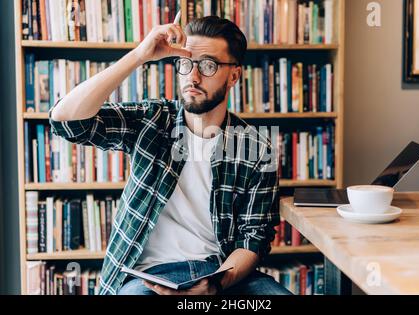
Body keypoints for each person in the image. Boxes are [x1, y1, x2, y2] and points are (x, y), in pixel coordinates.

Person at [49, 15, 290, 295]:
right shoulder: (152, 120)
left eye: (208, 65)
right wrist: (140, 55)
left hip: (222, 274)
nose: (193, 77)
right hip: (147, 277)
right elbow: (66, 122)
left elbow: (254, 240)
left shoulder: (257, 148)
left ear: (234, 75)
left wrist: (215, 285)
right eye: (186, 64)